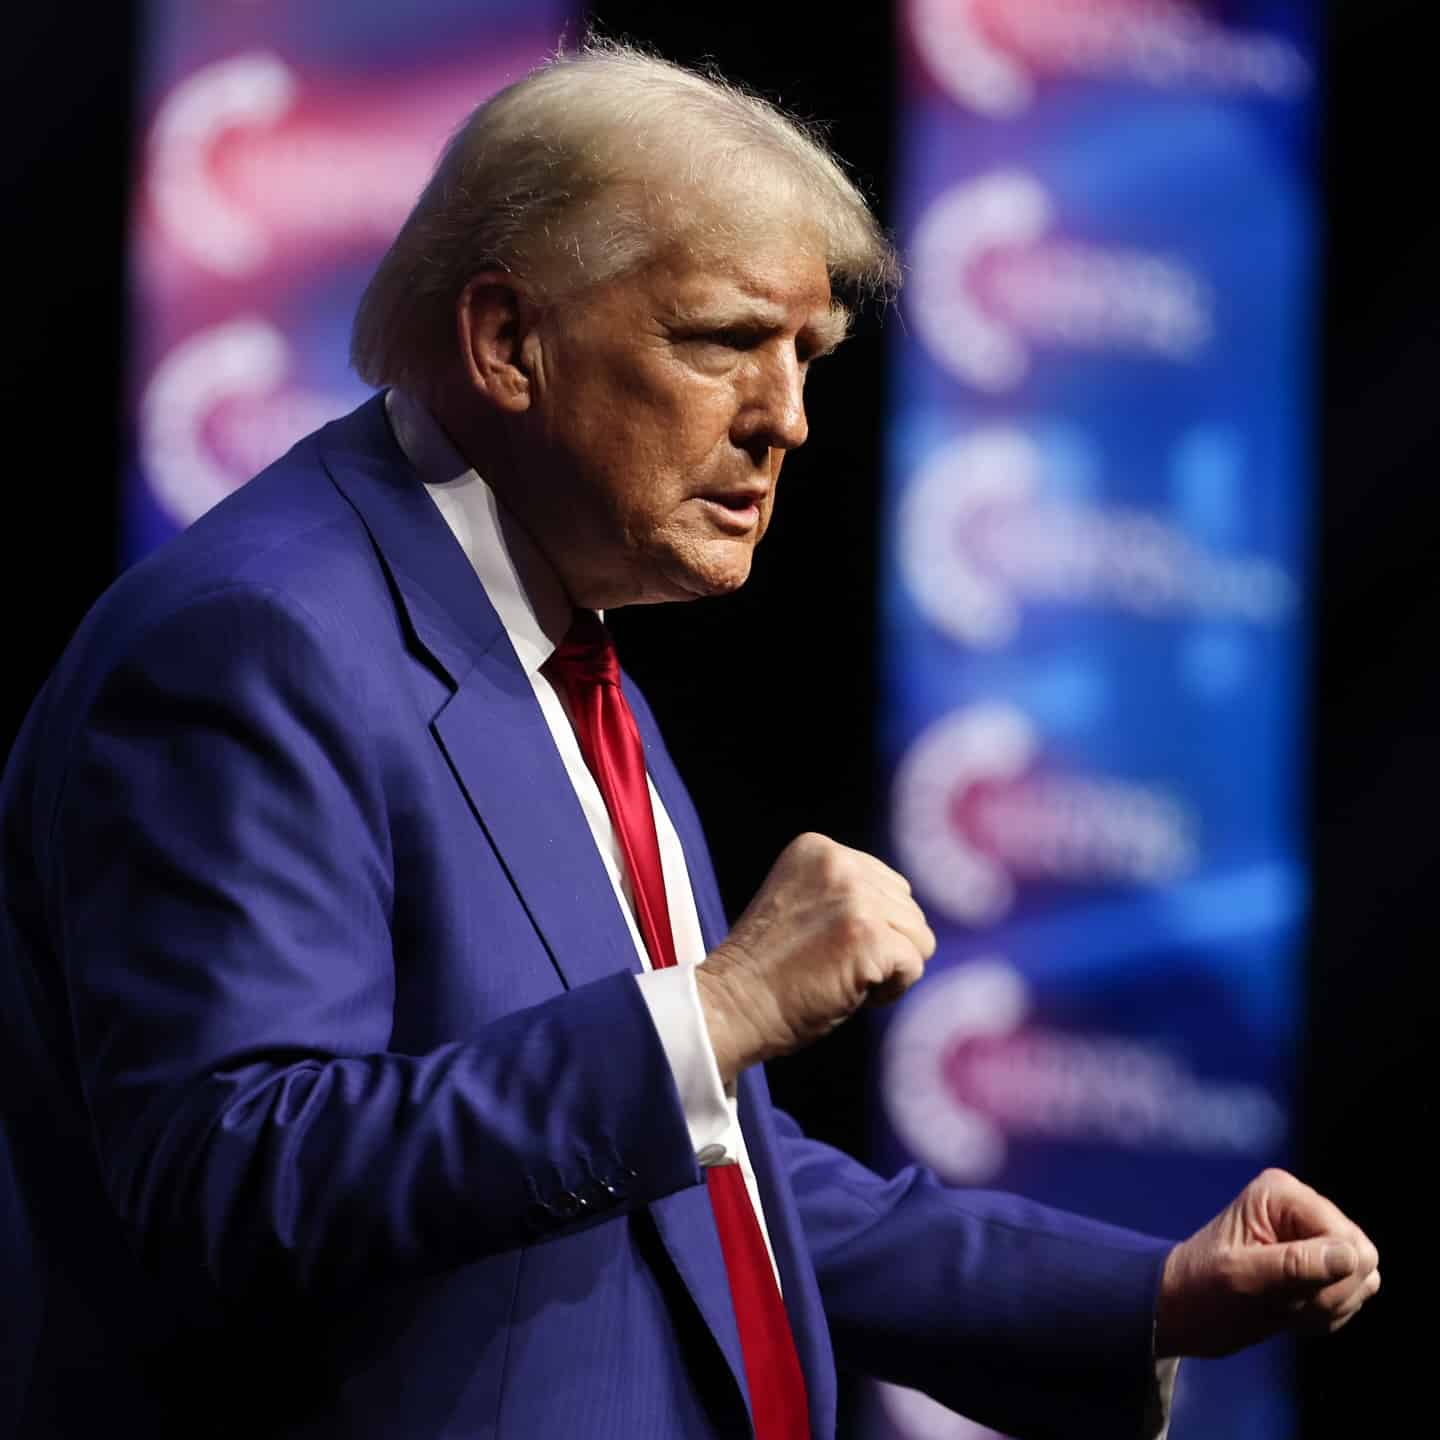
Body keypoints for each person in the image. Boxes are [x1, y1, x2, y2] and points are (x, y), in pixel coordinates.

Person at [0, 39, 1377, 1440]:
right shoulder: (257, 642)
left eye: (806, 356)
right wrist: (718, 1010)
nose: (787, 420)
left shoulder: (559, 647)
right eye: (724, 340)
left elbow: (702, 1185)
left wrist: (1143, 1297)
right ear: (506, 341)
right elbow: (236, 1176)